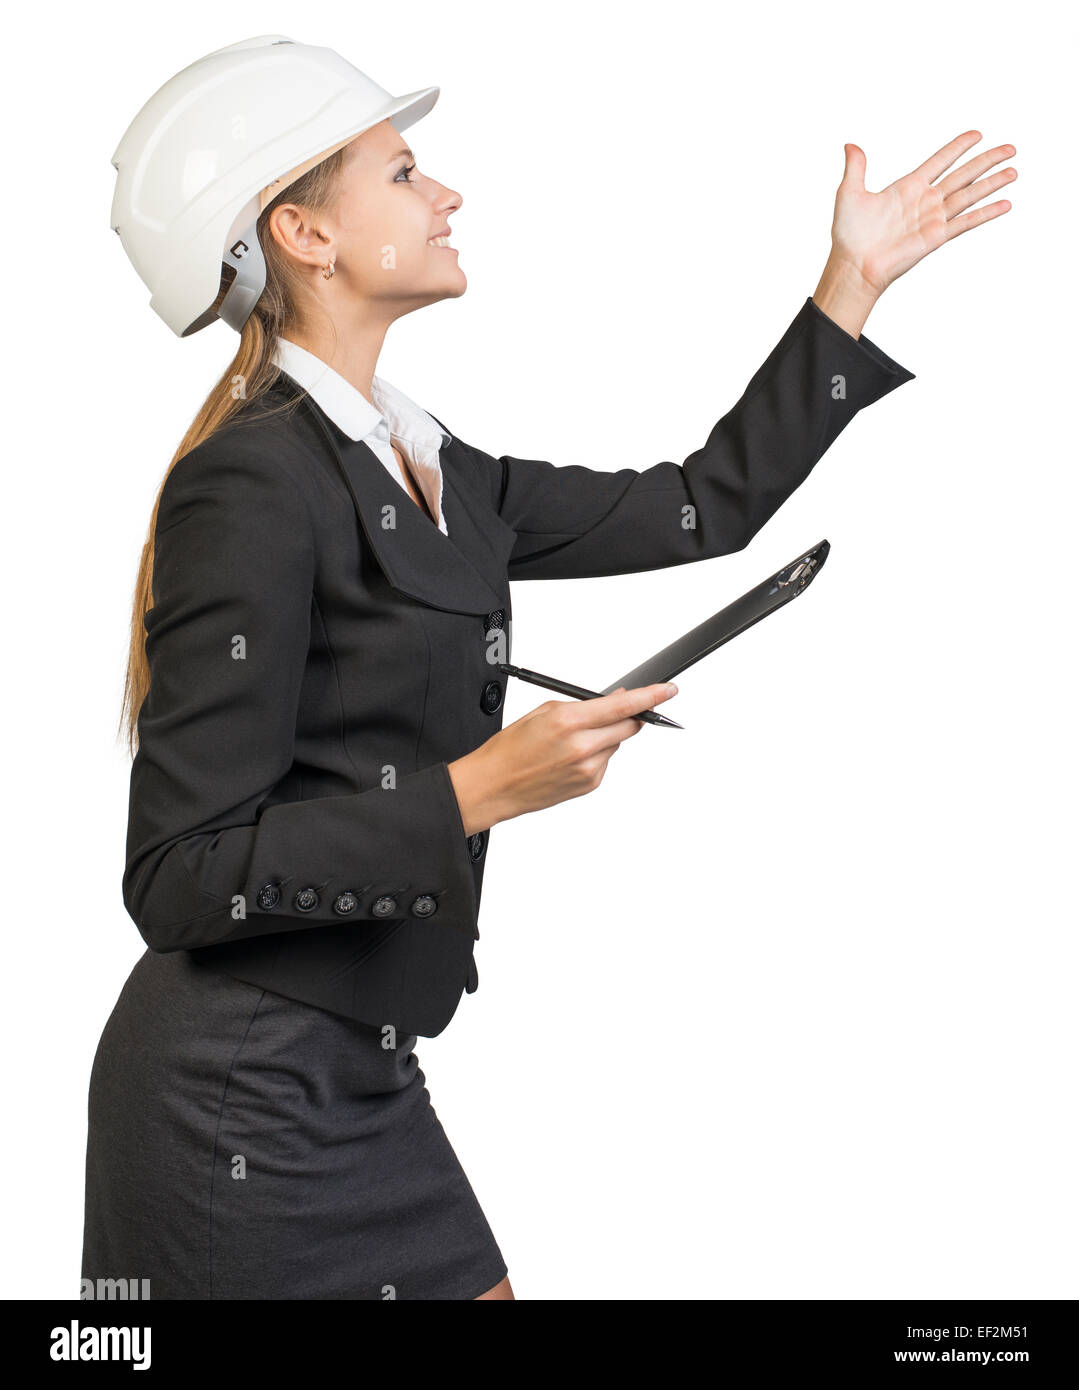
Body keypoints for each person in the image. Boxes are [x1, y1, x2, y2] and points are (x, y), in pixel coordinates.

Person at [82, 35, 1015, 1301]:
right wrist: (473, 792)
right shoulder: (251, 482)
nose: (446, 194)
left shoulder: (433, 468)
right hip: (237, 1097)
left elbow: (701, 506)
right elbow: (176, 877)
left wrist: (845, 291)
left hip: (361, 1066)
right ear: (304, 234)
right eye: (404, 173)